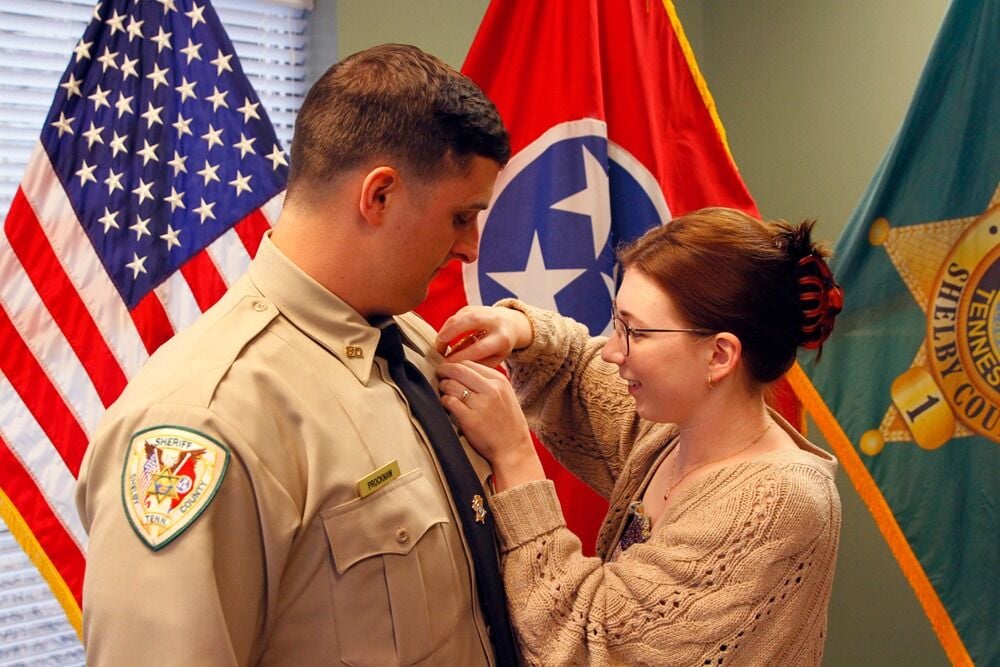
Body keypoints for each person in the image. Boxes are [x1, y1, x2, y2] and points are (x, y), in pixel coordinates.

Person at [76, 44, 515, 665]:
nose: (470, 248)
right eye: (461, 216)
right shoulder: (208, 420)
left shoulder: (412, 346)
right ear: (380, 196)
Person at [435, 207, 845, 666]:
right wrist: (520, 330)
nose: (613, 350)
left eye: (636, 332)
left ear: (720, 355)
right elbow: (578, 369)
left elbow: (590, 645)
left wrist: (514, 458)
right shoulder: (675, 433)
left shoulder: (775, 503)